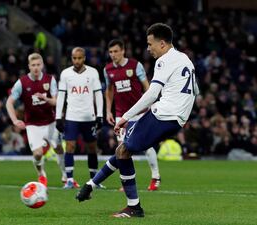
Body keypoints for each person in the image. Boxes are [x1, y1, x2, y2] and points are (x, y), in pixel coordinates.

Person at [76, 23, 199, 218]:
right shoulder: (185, 59)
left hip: (163, 114)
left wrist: (125, 117)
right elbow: (195, 91)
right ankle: (91, 185)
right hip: (176, 118)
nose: (148, 48)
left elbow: (151, 94)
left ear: (162, 43)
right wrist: (183, 114)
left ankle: (133, 207)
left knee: (124, 151)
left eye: (150, 44)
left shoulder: (164, 61)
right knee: (123, 149)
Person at [95, 39, 162, 191]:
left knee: (147, 146)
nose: (113, 55)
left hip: (140, 112)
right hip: (121, 114)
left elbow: (147, 86)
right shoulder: (108, 70)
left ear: (123, 50)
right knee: (122, 148)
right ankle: (127, 182)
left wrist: (151, 105)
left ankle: (155, 177)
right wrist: (108, 111)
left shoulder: (135, 65)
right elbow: (109, 91)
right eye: (111, 52)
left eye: (116, 51)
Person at [6, 53, 66, 187]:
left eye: (38, 65)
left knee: (58, 148)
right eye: (33, 65)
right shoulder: (22, 83)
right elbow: (9, 102)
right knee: (38, 154)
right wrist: (15, 120)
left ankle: (65, 175)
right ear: (29, 66)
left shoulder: (50, 80)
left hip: (50, 122)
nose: (36, 68)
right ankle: (41, 174)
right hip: (32, 125)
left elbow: (56, 102)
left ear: (42, 65)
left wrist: (46, 99)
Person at [56, 47, 104, 189]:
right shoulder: (65, 74)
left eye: (79, 58)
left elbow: (98, 94)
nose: (77, 61)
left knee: (92, 148)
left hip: (89, 116)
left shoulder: (93, 72)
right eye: (74, 58)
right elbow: (61, 96)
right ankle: (70, 179)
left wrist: (100, 115)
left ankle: (94, 180)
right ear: (72, 58)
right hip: (72, 117)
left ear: (84, 58)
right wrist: (58, 117)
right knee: (70, 146)